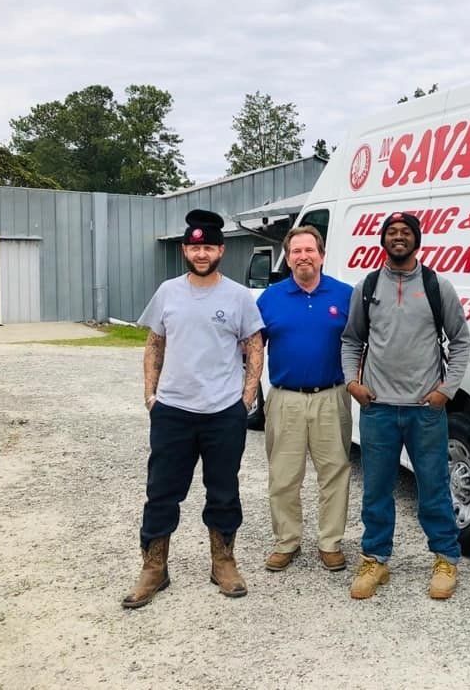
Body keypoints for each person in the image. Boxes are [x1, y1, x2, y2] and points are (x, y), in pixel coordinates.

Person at [122, 209, 264, 609]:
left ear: (221, 250)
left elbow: (254, 345)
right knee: (162, 492)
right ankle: (154, 568)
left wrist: (246, 398)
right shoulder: (168, 292)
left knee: (223, 490)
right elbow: (154, 343)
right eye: (194, 247)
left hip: (222, 412)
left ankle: (223, 561)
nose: (201, 253)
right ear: (185, 250)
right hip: (173, 410)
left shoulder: (237, 296)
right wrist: (151, 395)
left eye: (208, 247)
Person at [341, 211, 470, 600]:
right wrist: (353, 383)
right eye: (392, 232)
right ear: (382, 241)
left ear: (417, 240)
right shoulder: (367, 287)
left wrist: (445, 390)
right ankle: (375, 560)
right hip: (378, 408)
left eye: (405, 232)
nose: (399, 238)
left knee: (433, 488)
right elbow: (352, 340)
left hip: (425, 411)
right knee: (377, 490)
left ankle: (446, 559)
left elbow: (460, 341)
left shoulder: (436, 287)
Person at [256, 226, 353, 573]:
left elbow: (362, 343)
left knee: (335, 472)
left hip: (332, 396)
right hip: (285, 399)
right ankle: (287, 541)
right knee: (283, 476)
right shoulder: (270, 298)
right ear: (289, 257)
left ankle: (330, 543)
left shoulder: (345, 295)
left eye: (309, 250)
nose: (303, 257)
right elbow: (253, 347)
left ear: (322, 255)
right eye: (296, 251)